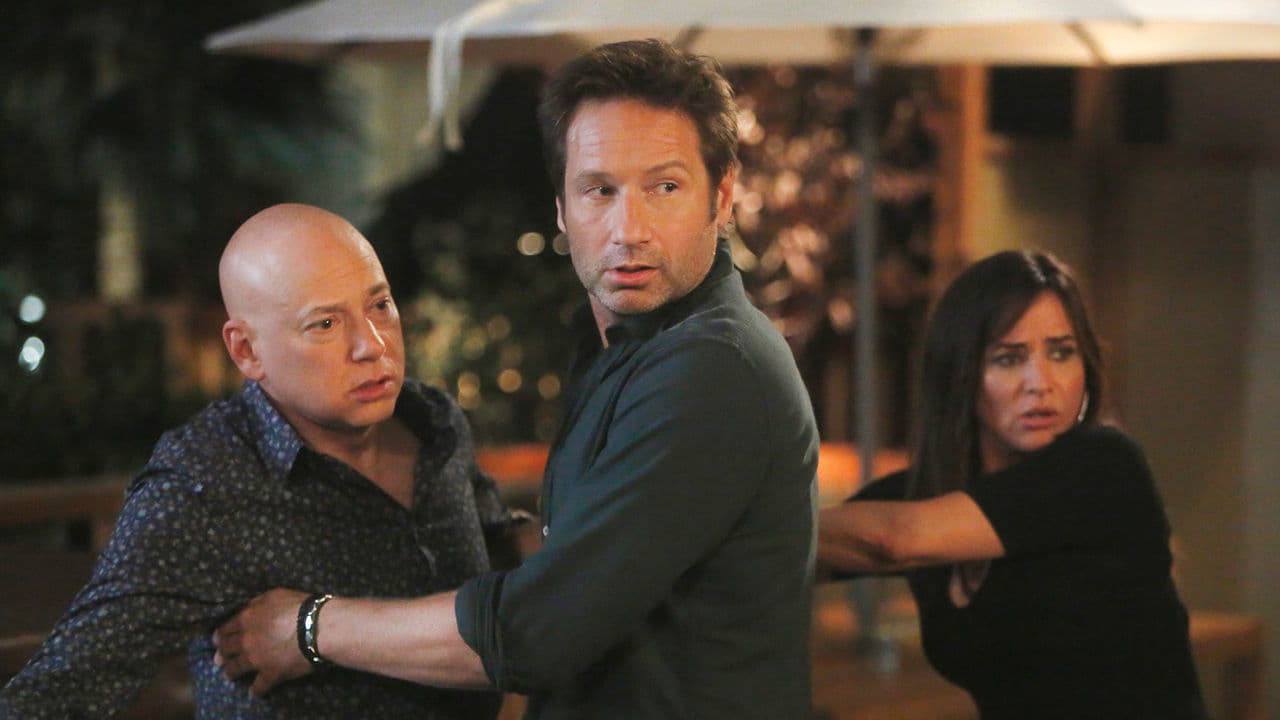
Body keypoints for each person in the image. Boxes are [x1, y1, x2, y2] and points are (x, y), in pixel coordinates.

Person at [211, 39, 820, 719]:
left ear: (723, 196)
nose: (629, 229)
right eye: (599, 190)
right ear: (561, 206)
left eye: (665, 187)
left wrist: (308, 629)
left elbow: (535, 633)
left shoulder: (712, 367)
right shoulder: (623, 346)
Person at [0, 203, 519, 719]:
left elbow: (500, 552)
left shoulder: (435, 421)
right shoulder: (204, 483)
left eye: (379, 305)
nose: (372, 344)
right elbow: (59, 692)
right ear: (247, 351)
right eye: (325, 323)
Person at [818, 250, 1208, 719]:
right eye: (1008, 358)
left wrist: (775, 532)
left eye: (1061, 353)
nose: (1040, 382)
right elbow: (805, 547)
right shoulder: (932, 491)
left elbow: (894, 539)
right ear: (960, 373)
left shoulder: (1103, 465)